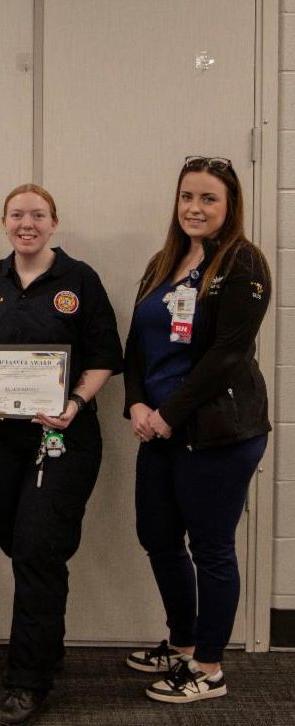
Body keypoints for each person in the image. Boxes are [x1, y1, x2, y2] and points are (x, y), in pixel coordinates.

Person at [0, 184, 123, 725]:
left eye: (37, 215)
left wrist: (75, 403)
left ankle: (26, 680)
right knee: (17, 541)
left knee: (36, 548)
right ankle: (46, 644)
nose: (26, 223)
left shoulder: (80, 280)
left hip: (63, 438)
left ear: (54, 222)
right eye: (16, 215)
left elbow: (103, 357)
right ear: (4, 222)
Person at [123, 156, 271, 704]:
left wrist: (168, 414)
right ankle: (182, 643)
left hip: (217, 433)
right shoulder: (163, 261)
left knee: (211, 547)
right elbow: (136, 344)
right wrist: (137, 403)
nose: (195, 207)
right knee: (158, 537)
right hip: (158, 428)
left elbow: (227, 354)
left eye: (209, 198)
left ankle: (208, 668)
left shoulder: (243, 262)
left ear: (230, 205)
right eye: (188, 196)